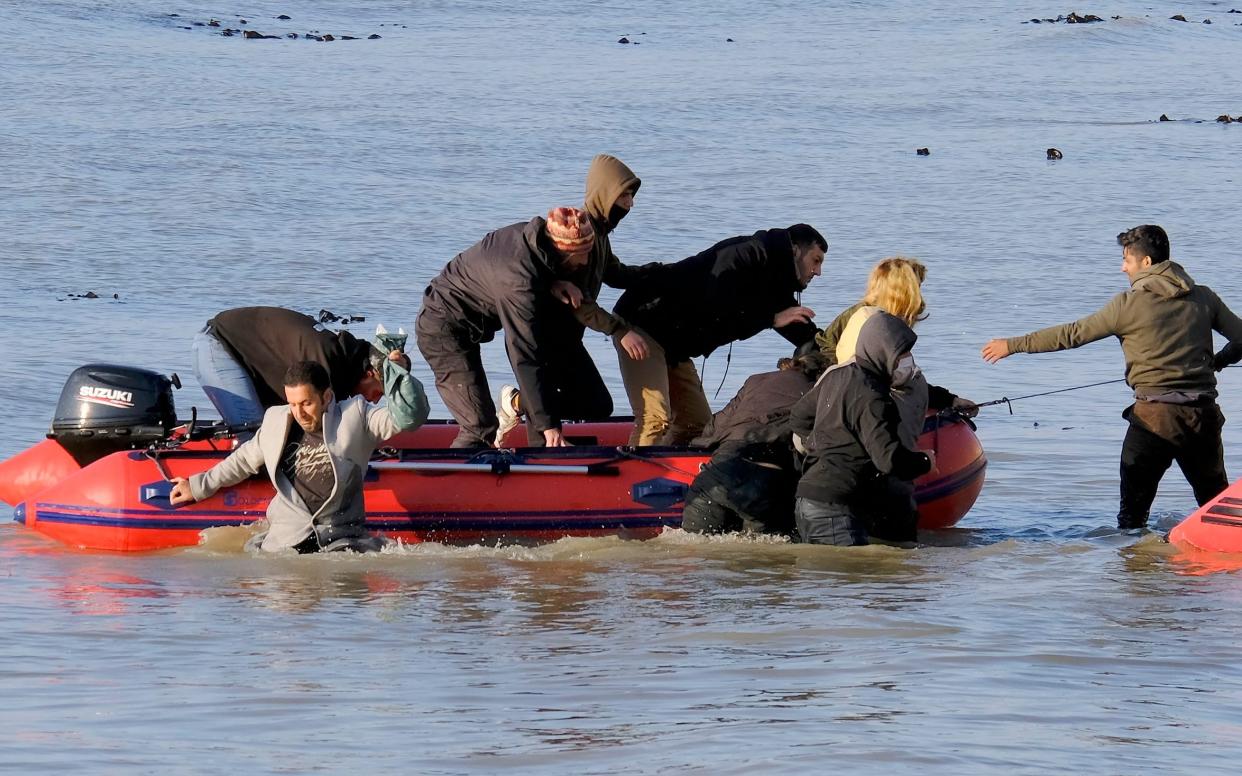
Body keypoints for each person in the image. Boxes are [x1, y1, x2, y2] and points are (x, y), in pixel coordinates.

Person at [982, 224, 1242, 530]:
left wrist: (1013, 345)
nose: (1122, 268)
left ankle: (1135, 570)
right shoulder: (1203, 298)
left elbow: (1072, 334)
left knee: (1132, 519)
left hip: (1153, 419)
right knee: (1219, 513)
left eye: (1126, 260)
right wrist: (1220, 361)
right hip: (1202, 419)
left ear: (1146, 263)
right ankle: (1224, 571)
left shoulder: (1128, 305)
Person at [169, 359, 430, 553]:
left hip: (341, 541)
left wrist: (399, 376)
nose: (299, 413)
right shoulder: (275, 421)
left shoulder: (356, 416)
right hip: (283, 541)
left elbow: (409, 417)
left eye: (306, 403)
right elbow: (244, 459)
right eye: (293, 404)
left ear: (326, 397)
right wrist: (198, 485)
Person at [611, 224, 828, 445]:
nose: (818, 271)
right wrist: (770, 319)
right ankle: (641, 477)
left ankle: (669, 471)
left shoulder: (776, 282)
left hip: (673, 344)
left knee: (696, 424)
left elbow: (804, 333)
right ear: (795, 250)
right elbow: (719, 308)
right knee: (655, 419)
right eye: (816, 260)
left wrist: (839, 350)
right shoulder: (744, 255)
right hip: (641, 324)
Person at [494, 154, 656, 445]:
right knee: (545, 422)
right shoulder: (580, 234)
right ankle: (538, 453)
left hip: (569, 340)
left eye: (631, 196)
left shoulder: (601, 234)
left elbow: (615, 273)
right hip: (543, 336)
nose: (630, 204)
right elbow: (579, 304)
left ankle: (519, 404)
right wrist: (620, 330)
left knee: (598, 405)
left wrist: (659, 274)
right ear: (606, 195)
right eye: (624, 196)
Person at [816, 257, 977, 541]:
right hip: (869, 450)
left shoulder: (869, 318)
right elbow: (887, 379)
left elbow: (899, 377)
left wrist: (948, 399)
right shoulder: (874, 323)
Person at [416, 207, 605, 448]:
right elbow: (523, 353)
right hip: (442, 328)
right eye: (582, 255)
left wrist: (552, 283)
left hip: (472, 319)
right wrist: (548, 425)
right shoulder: (519, 283)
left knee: (594, 402)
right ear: (564, 252)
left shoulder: (535, 240)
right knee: (479, 427)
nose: (586, 261)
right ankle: (457, 481)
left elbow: (528, 266)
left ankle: (515, 405)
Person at [790, 312, 935, 546]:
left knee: (833, 580)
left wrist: (822, 444)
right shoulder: (873, 396)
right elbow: (889, 460)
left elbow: (798, 417)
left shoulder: (836, 375)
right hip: (834, 508)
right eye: (902, 353)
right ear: (882, 351)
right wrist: (924, 461)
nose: (908, 359)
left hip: (808, 500)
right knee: (852, 578)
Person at [681, 352, 827, 537]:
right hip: (764, 483)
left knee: (697, 554)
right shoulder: (819, 392)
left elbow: (714, 427)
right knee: (763, 559)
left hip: (716, 475)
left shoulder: (756, 381)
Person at [192, 306, 399, 426]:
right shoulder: (326, 363)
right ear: (369, 374)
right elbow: (320, 427)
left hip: (245, 355)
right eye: (379, 392)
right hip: (219, 346)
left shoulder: (342, 362)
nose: (375, 400)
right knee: (252, 432)